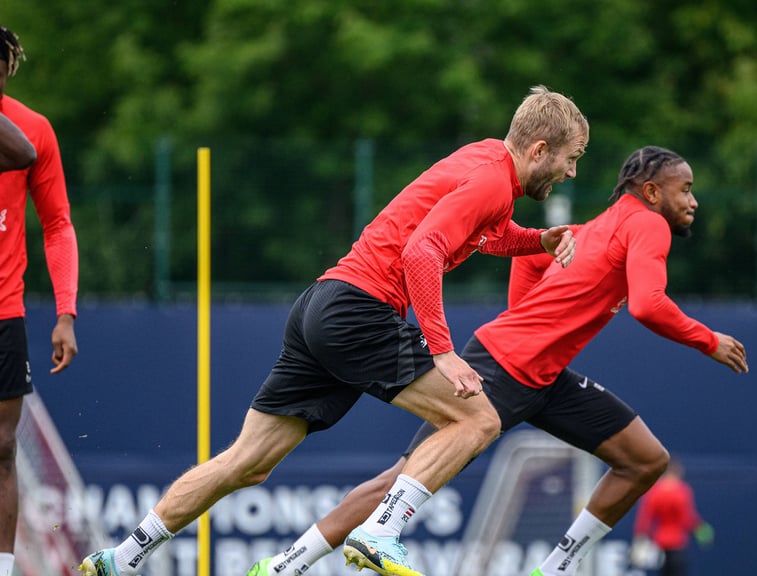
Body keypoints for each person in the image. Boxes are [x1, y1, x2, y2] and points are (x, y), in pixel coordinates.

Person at [78, 85, 586, 576]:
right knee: (478, 421)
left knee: (247, 464)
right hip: (359, 312)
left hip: (322, 305)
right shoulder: (492, 182)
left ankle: (120, 559)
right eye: (570, 157)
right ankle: (381, 533)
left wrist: (539, 239)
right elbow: (423, 251)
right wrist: (443, 350)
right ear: (540, 149)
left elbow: (481, 235)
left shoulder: (486, 161)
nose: (571, 170)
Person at [243, 145, 748, 576]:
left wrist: (524, 316)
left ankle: (555, 569)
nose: (693, 201)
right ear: (652, 191)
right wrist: (709, 341)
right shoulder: (649, 226)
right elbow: (648, 304)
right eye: (685, 190)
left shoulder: (594, 226)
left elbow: (531, 255)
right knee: (399, 478)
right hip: (505, 366)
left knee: (646, 460)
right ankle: (287, 565)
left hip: (543, 375)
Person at [0, 24, 80, 576]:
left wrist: (66, 311)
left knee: (1, 448)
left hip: (5, 313)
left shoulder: (31, 131)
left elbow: (56, 224)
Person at [632, 457, 713, 576]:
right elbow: (687, 518)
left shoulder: (654, 491)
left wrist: (640, 539)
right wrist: (700, 529)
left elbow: (645, 519)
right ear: (677, 471)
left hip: (660, 543)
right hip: (677, 543)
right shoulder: (681, 490)